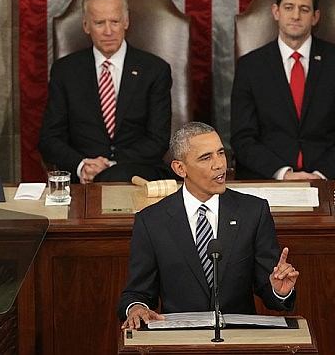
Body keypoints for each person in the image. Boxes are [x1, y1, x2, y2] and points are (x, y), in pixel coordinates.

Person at [118, 121, 299, 329]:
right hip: (180, 342)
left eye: (221, 153)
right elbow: (137, 293)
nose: (219, 165)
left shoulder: (253, 212)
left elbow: (270, 289)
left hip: (239, 340)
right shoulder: (151, 221)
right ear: (180, 168)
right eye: (206, 157)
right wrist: (136, 308)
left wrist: (279, 290)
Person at [230, 0, 335, 180]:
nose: (296, 15)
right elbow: (242, 137)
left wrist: (320, 174)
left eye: (304, 9)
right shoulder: (250, 66)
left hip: (329, 177)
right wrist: (283, 174)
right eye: (288, 7)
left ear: (315, 17)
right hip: (269, 177)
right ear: (276, 12)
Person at [38, 0, 173, 183]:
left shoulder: (155, 70)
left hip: (137, 173)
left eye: (115, 22)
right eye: (99, 23)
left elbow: (158, 139)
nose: (108, 31)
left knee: (114, 178)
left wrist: (109, 166)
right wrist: (82, 166)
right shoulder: (65, 71)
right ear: (86, 25)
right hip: (82, 177)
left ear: (126, 22)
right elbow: (49, 139)